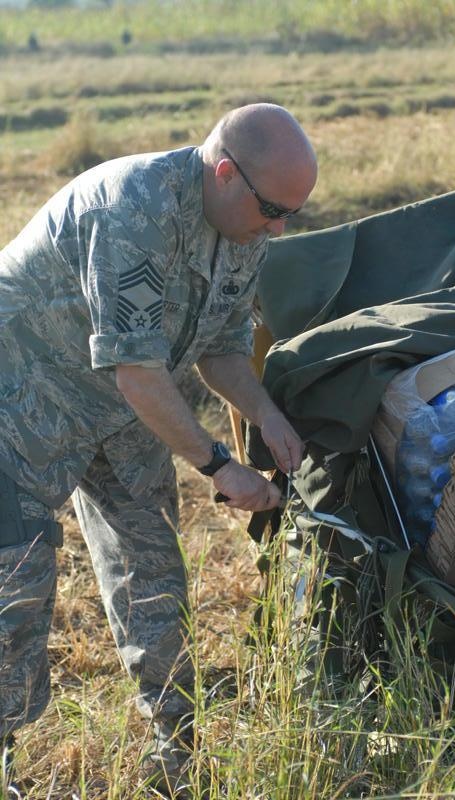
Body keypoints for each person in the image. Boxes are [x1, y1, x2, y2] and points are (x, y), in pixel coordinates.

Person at [0, 103, 317, 796]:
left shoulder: (245, 224)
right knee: (14, 587)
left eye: (290, 213)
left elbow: (222, 347)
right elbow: (139, 372)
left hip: (121, 412)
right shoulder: (133, 208)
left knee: (154, 571)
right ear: (225, 172)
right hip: (22, 398)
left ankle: (175, 754)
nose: (279, 227)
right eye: (272, 209)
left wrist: (263, 415)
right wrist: (218, 464)